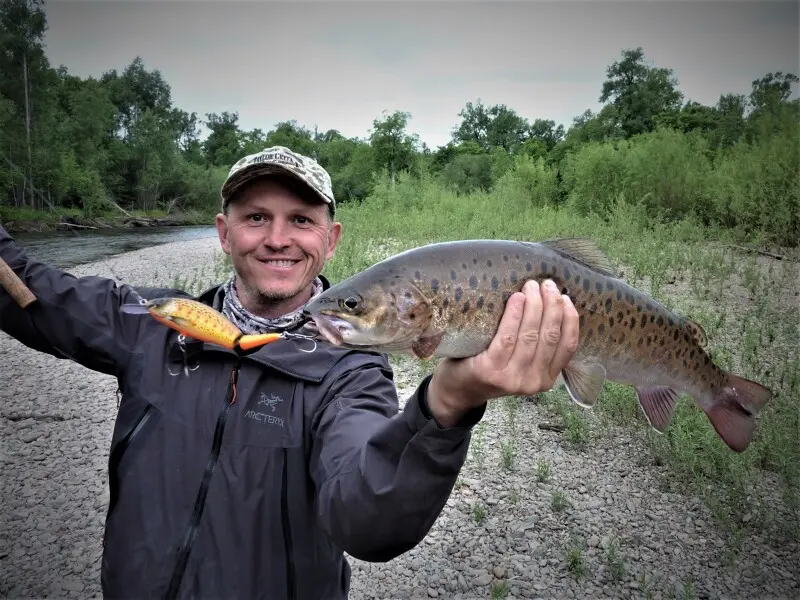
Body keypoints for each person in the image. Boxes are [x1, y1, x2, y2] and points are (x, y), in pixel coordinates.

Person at [0, 145, 580, 599]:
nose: (278, 239)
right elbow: (27, 291)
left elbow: (368, 520)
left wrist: (446, 406)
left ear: (329, 241)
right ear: (224, 233)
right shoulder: (154, 324)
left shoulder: (350, 374)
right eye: (256, 217)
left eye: (300, 219)